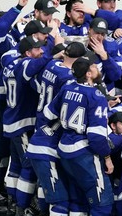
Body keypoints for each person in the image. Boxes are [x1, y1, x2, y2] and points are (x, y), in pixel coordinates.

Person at [42, 54, 114, 215]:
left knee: (78, 200)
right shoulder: (96, 96)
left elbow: (48, 113)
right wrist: (107, 157)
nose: (97, 68)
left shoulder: (67, 88)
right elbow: (96, 137)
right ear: (88, 74)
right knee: (102, 202)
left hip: (64, 149)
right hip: (83, 152)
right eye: (94, 66)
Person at [2, 36, 55, 215]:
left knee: (16, 164)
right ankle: (22, 206)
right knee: (29, 165)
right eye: (37, 49)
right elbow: (34, 67)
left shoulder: (10, 63)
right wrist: (54, 50)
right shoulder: (24, 64)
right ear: (27, 52)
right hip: (21, 124)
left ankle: (12, 201)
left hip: (11, 121)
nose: (41, 51)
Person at [0, 0, 28, 210]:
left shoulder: (8, 35)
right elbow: (0, 26)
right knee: (2, 146)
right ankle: (0, 187)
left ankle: (4, 189)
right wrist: (17, 7)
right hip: (2, 100)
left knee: (8, 147)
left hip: (8, 101)